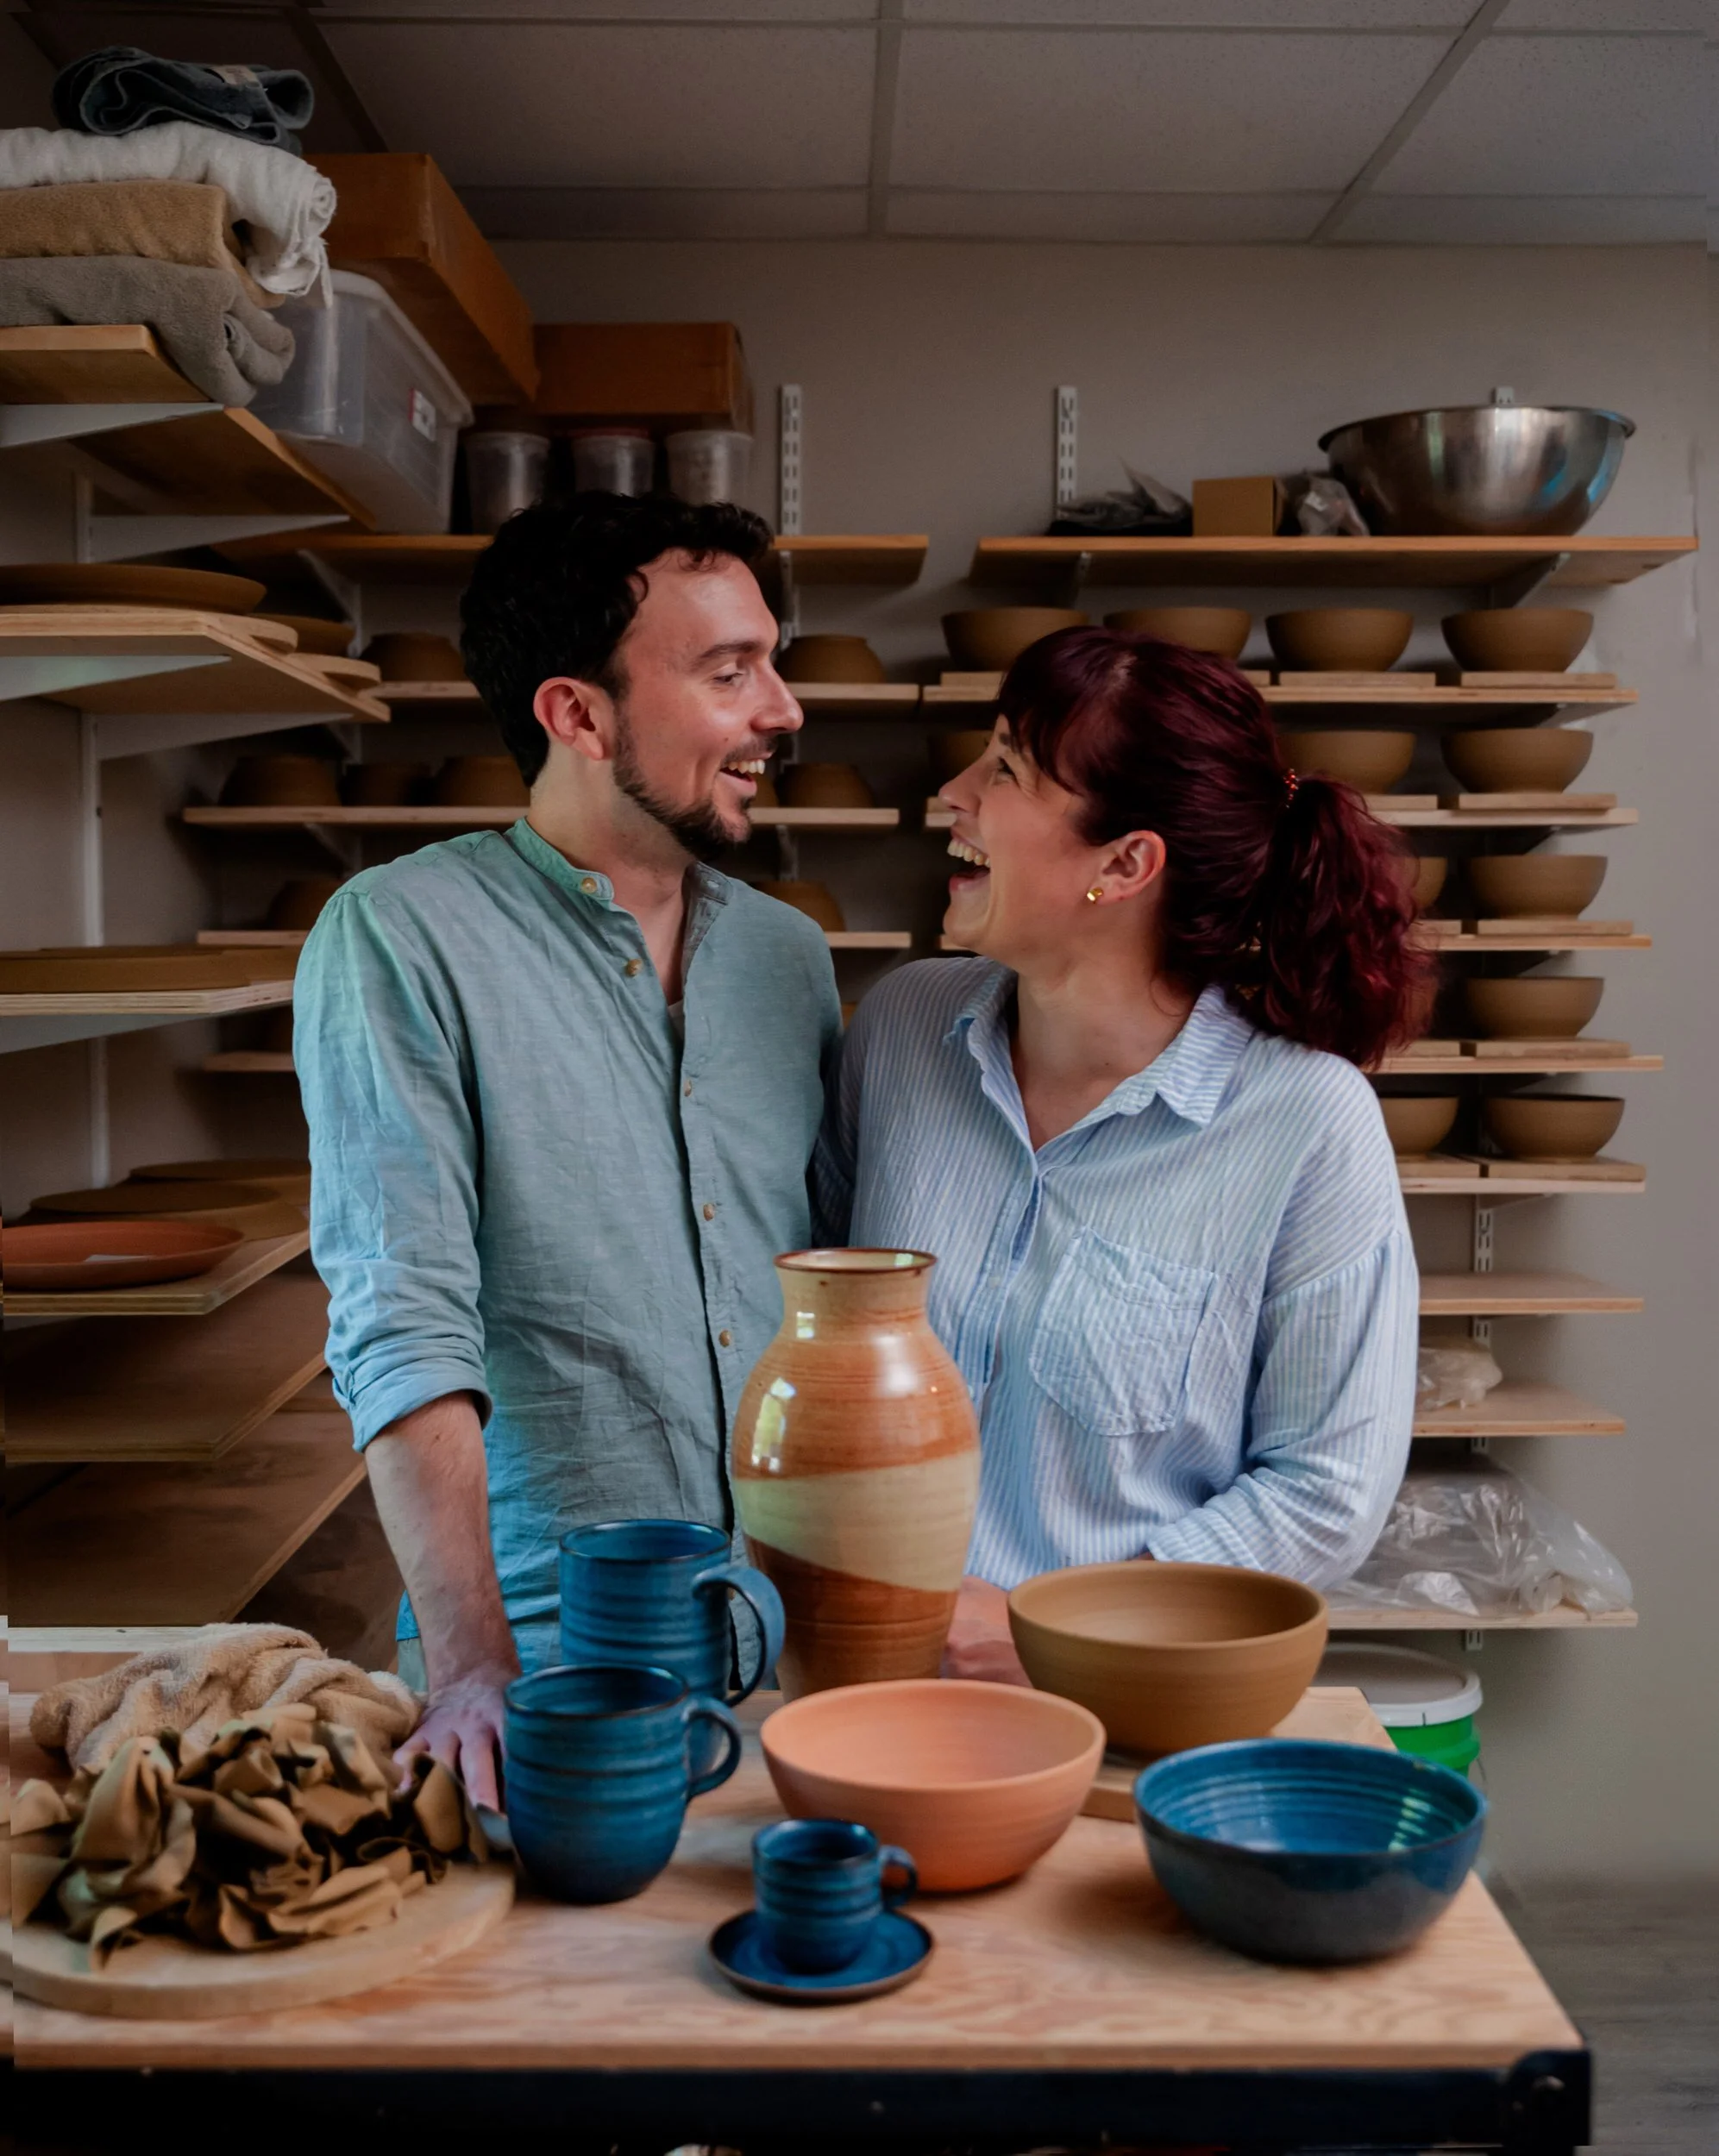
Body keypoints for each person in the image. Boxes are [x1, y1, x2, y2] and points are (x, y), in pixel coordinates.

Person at [296, 495, 840, 1804]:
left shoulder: (790, 958)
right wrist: (472, 1669)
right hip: (546, 1675)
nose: (782, 711)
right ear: (577, 715)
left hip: (794, 1648)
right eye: (728, 672)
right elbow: (402, 1317)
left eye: (770, 663)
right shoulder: (400, 935)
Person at [817, 626, 1427, 1684]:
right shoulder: (901, 1030)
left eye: (1005, 770)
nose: (953, 795)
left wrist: (1059, 1628)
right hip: (860, 1681)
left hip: (1124, 1703)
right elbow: (814, 1332)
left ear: (1125, 864)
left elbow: (1327, 1488)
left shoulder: (1308, 1121)